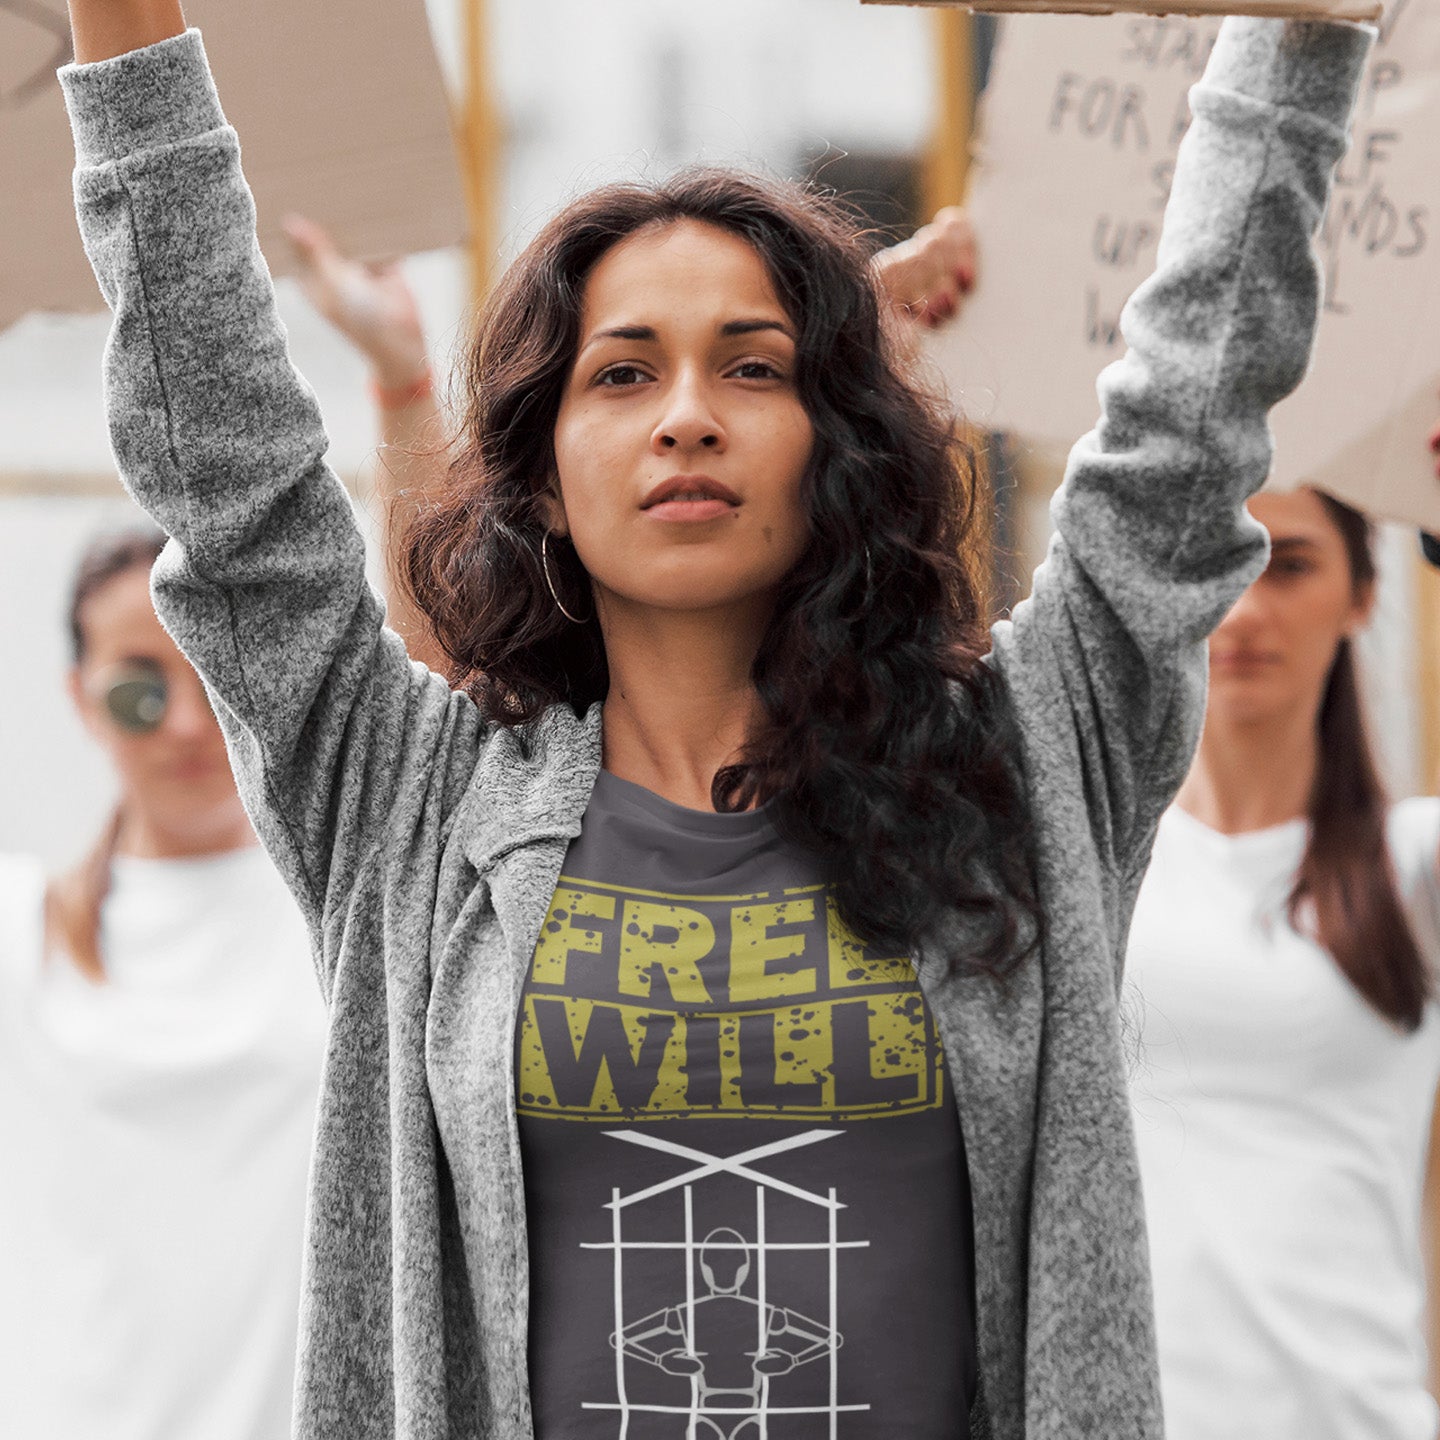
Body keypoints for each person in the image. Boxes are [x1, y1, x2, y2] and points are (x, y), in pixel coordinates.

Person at [57, 4, 1373, 1437]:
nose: (687, 415)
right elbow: (231, 478)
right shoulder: (411, 802)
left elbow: (1190, 421)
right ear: (545, 471)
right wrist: (126, 40)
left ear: (838, 443)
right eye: (623, 373)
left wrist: (1295, 43)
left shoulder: (1020, 755)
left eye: (753, 367)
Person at [1126, 483, 1440, 1440]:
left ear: (1361, 596)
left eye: (1289, 564)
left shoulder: (1416, 867)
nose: (1247, 607)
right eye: (1212, 562)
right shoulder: (1084, 862)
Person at [0, 526, 326, 1440]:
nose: (188, 722)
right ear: (82, 698)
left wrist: (399, 392)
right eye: (143, 684)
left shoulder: (343, 920)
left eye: (217, 679)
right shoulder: (22, 938)